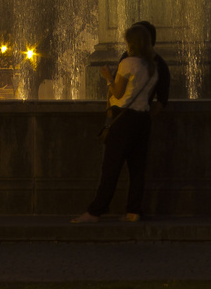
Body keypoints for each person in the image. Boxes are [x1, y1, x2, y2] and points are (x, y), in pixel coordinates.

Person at [73, 23, 158, 223]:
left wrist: (108, 78)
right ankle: (133, 211)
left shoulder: (128, 63)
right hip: (143, 120)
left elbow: (118, 93)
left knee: (111, 167)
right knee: (137, 169)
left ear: (132, 43)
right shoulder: (152, 67)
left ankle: (95, 212)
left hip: (124, 120)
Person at [120, 20, 171, 109]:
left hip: (123, 113)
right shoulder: (160, 65)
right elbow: (161, 102)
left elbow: (116, 91)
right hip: (141, 114)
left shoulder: (126, 59)